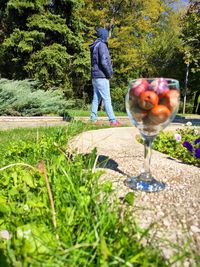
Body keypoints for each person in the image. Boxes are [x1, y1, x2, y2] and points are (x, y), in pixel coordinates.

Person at [89, 27, 121, 126]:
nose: (107, 37)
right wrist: (109, 73)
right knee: (107, 98)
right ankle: (113, 120)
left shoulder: (95, 45)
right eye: (106, 35)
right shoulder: (102, 45)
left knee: (96, 98)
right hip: (102, 76)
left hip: (95, 76)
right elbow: (104, 61)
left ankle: (93, 119)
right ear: (104, 35)